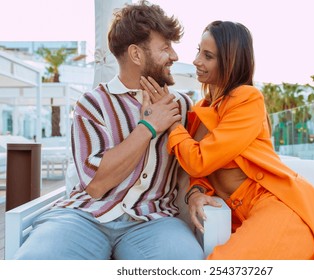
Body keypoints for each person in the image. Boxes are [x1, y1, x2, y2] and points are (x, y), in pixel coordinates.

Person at [142, 20, 314, 260]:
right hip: (242, 215)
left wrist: (172, 124)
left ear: (229, 63)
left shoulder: (247, 99)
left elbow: (198, 161)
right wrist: (196, 192)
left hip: (280, 208)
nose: (196, 61)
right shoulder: (202, 108)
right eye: (198, 51)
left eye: (208, 55)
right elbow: (199, 171)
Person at [14, 0, 203, 260]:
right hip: (85, 216)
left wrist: (194, 194)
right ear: (136, 54)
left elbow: (189, 166)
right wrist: (149, 127)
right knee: (34, 264)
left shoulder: (181, 105)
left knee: (187, 266)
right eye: (166, 47)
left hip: (155, 222)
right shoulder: (92, 104)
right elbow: (95, 186)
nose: (175, 56)